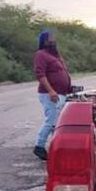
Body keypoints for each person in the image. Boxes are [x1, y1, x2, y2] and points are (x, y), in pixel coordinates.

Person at [33, 29, 72, 160]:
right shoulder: (41, 54)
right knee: (51, 121)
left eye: (54, 38)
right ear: (44, 41)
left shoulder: (56, 56)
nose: (53, 40)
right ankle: (39, 146)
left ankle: (57, 146)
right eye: (51, 38)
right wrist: (50, 90)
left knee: (58, 122)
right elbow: (40, 74)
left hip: (61, 93)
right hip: (50, 94)